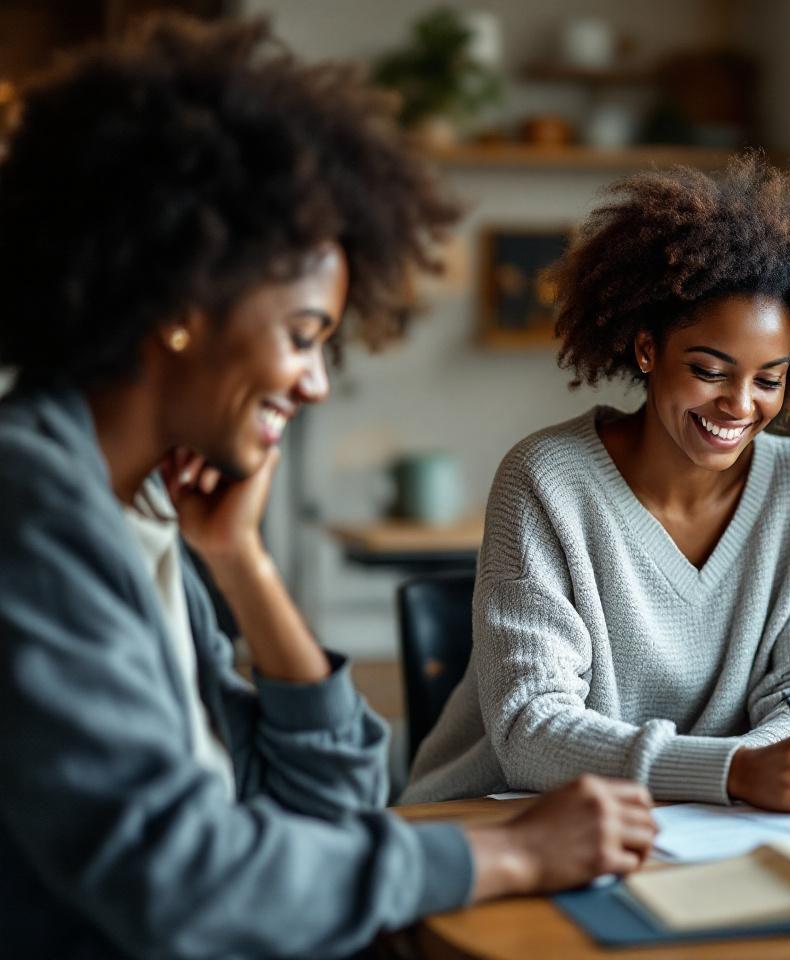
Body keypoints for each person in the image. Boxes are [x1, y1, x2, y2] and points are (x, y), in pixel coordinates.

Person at [0, 16, 654, 960]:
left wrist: (242, 565)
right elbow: (178, 877)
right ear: (184, 304)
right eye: (304, 333)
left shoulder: (139, 513)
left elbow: (340, 801)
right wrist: (500, 858)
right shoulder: (32, 512)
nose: (313, 381)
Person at [404, 160, 790, 812]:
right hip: (495, 819)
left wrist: (773, 766)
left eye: (768, 379)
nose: (739, 405)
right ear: (645, 349)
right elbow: (530, 728)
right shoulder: (546, 481)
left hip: (699, 830)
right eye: (710, 370)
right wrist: (737, 770)